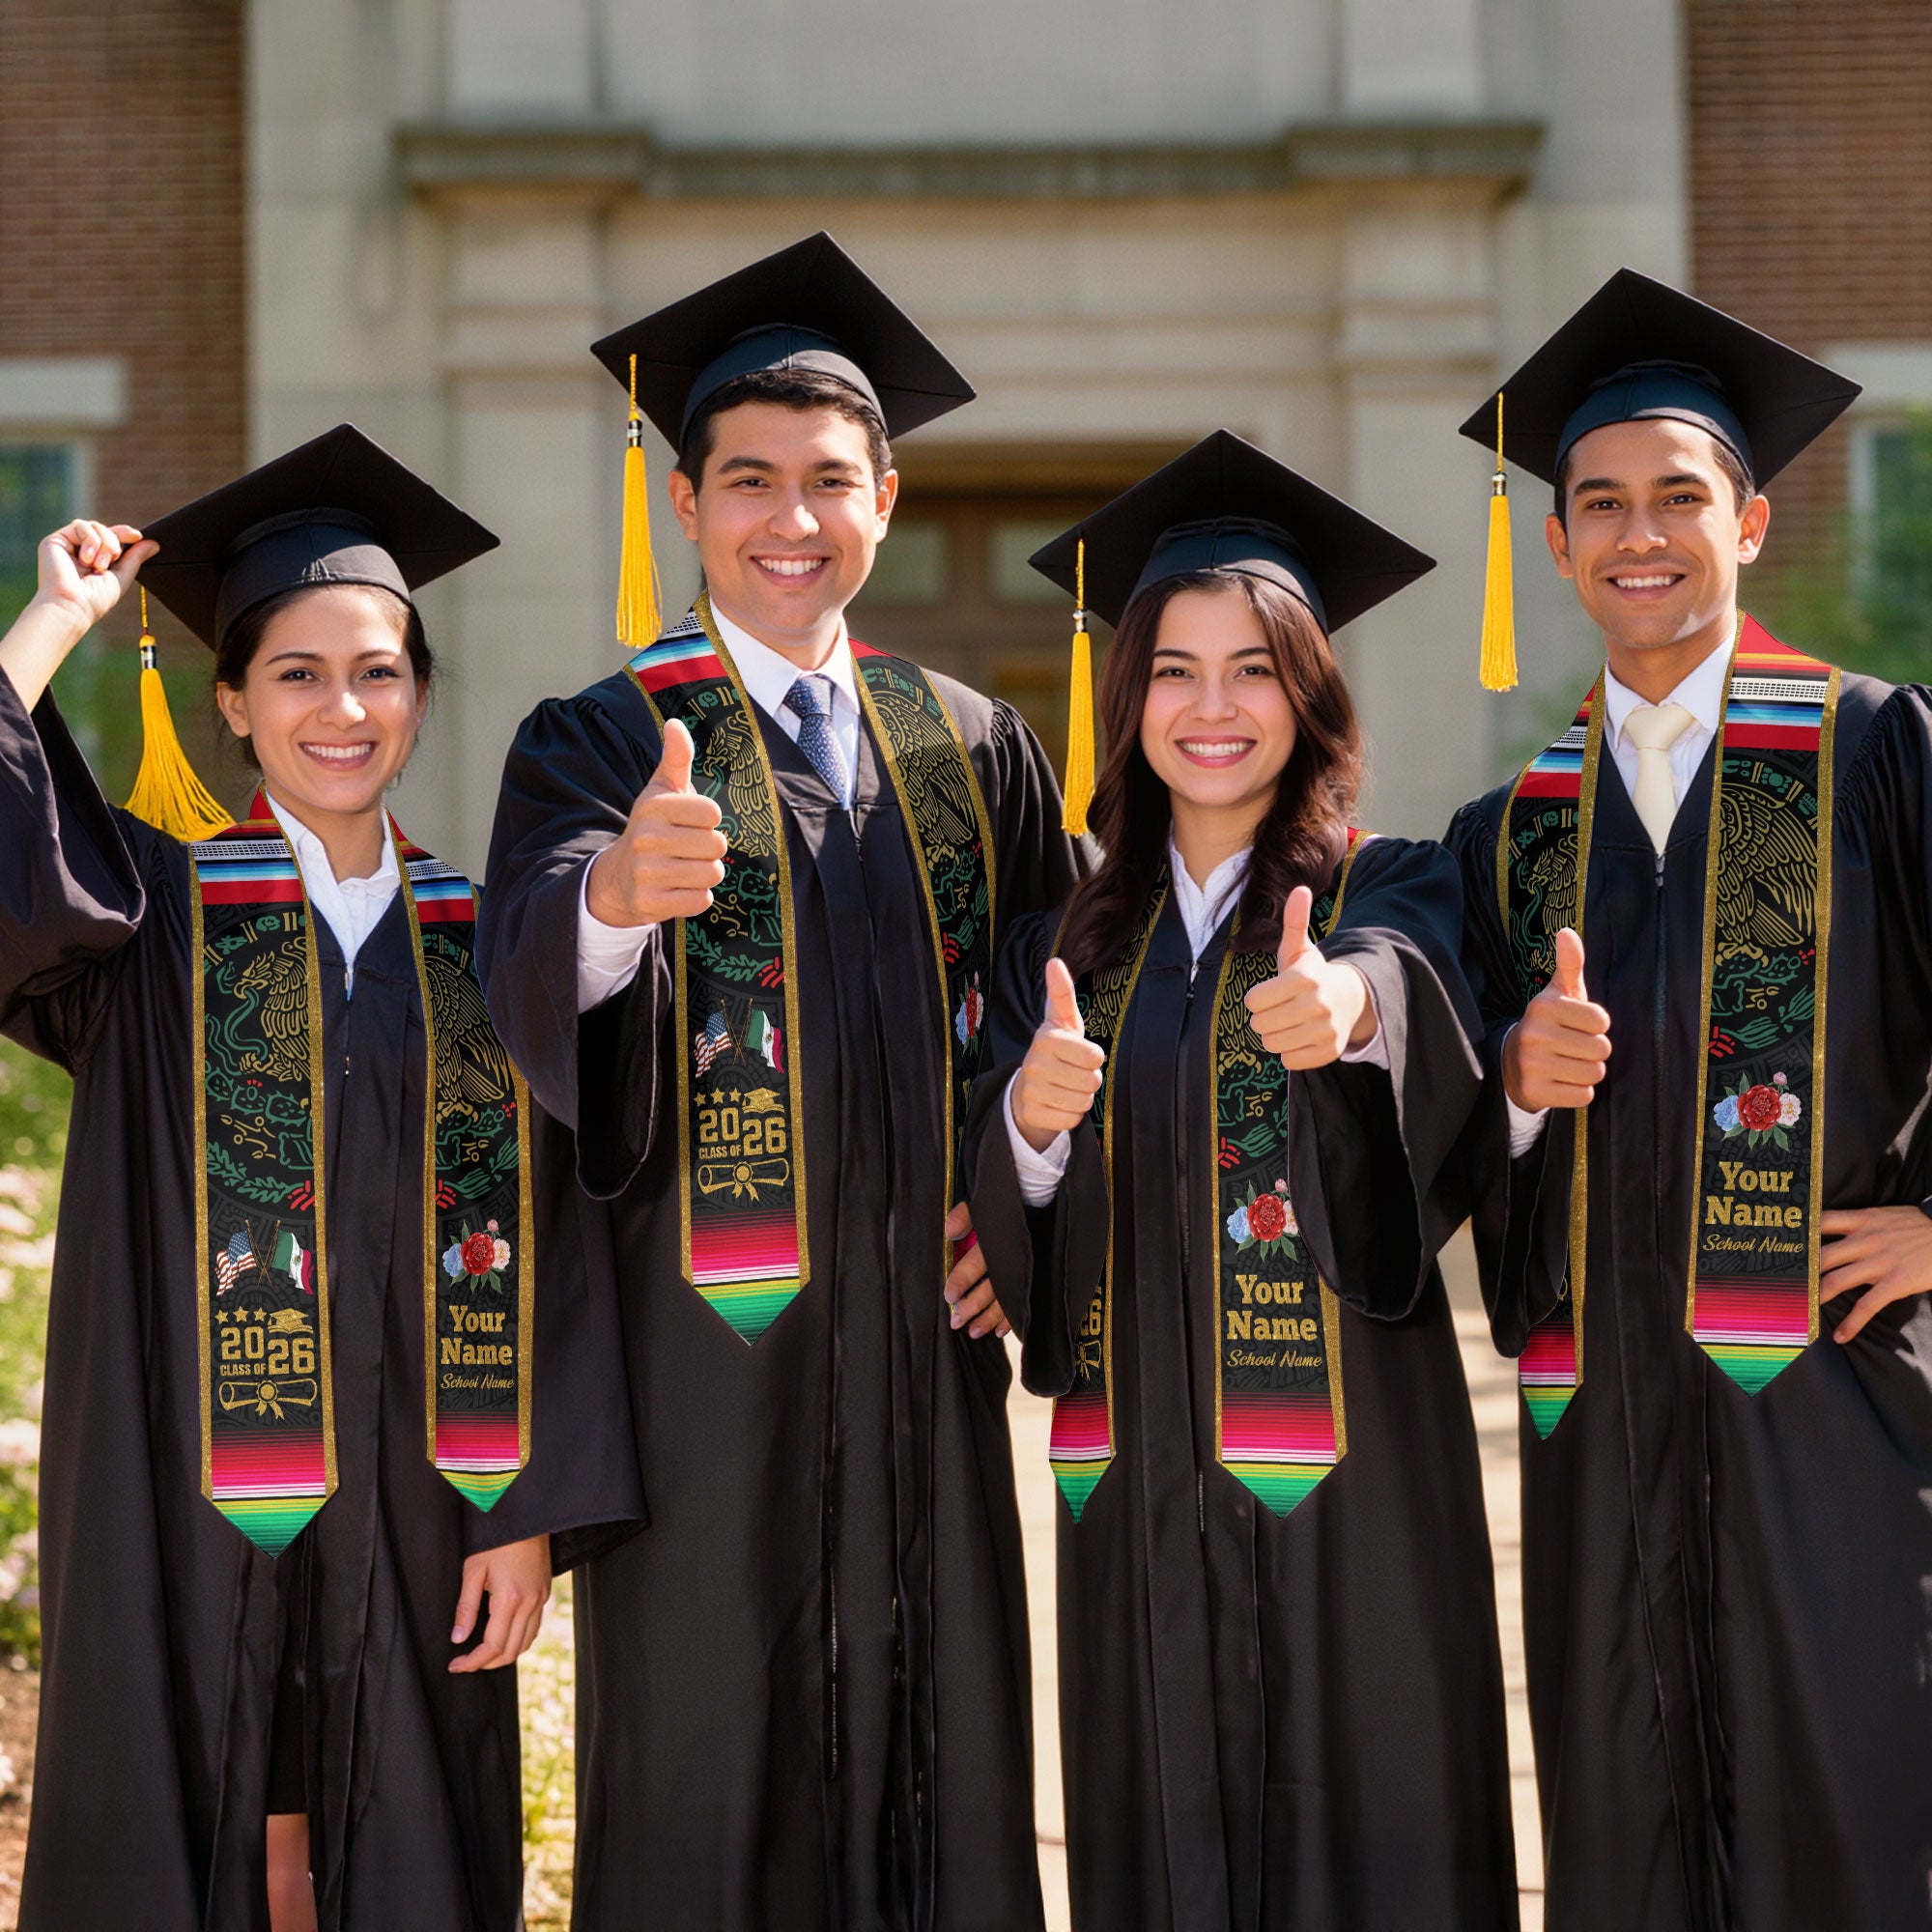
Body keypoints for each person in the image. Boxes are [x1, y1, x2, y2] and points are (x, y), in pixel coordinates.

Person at [478, 233, 1084, 1931]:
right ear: (686, 504)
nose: (790, 518)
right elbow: (528, 965)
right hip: (704, 1376)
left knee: (940, 1756)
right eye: (748, 481)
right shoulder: (602, 738)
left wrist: (1019, 1200)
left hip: (923, 1366)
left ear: (886, 498)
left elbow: (1065, 1003)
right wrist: (613, 900)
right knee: (710, 1770)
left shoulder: (969, 744)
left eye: (829, 480)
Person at [0, 425, 642, 1932]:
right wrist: (53, 621)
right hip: (179, 1484)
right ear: (231, 701)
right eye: (296, 673)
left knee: (404, 1830)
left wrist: (525, 1508)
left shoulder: (488, 942)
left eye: (378, 672)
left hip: (425, 1495)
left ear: (418, 694)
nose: (341, 709)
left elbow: (562, 1245)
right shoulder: (151, 920)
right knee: (193, 1808)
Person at [963, 431, 1518, 1930]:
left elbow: (1410, 986)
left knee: (1374, 1830)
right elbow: (1013, 1224)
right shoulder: (1065, 945)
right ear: (1126, 698)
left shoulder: (1387, 883)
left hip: (1355, 1479)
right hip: (1137, 1475)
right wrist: (1028, 1124)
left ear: (1310, 693)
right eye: (1175, 671)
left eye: (1254, 670)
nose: (1213, 708)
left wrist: (1351, 1010)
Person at [1447, 270, 1932, 1931]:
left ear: (1752, 523)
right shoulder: (1515, 833)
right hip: (1606, 1429)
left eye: (1678, 497)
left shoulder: (1876, 755)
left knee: (1854, 1814)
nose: (1637, 534)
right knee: (1627, 1824)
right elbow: (1448, 1133)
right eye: (1599, 504)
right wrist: (1514, 1090)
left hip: (1837, 1402)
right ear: (1558, 542)